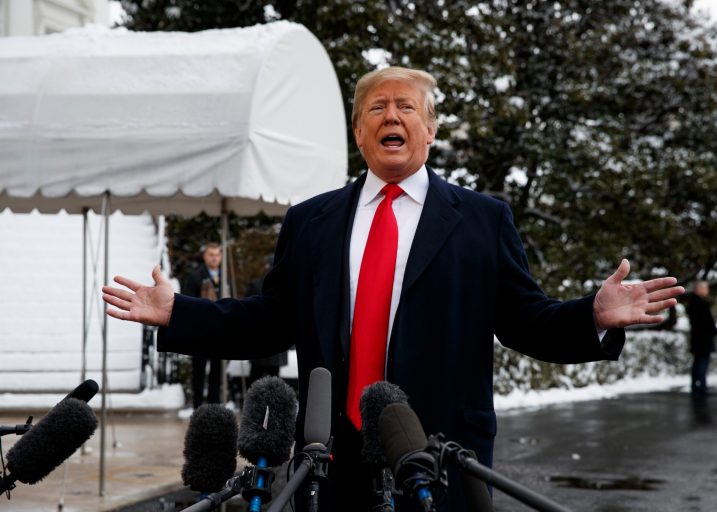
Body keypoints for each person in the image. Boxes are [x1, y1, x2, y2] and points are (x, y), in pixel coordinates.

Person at [103, 67, 684, 511]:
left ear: (429, 128)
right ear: (359, 131)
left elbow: (524, 320)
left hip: (441, 453)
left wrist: (594, 317)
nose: (391, 115)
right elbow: (270, 319)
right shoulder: (311, 221)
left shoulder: (482, 218)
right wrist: (181, 313)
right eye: (376, 107)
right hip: (330, 457)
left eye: (406, 106)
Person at [180, 242, 225, 409]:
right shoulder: (195, 276)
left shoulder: (224, 274)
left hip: (220, 329)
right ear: (205, 256)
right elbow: (188, 300)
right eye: (211, 255)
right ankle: (198, 406)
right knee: (199, 370)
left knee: (217, 370)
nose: (214, 258)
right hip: (200, 329)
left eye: (217, 255)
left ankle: (214, 405)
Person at [686, 280, 717, 397]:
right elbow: (707, 322)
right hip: (703, 340)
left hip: (698, 339)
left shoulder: (693, 302)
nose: (707, 290)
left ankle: (697, 386)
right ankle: (700, 387)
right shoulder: (700, 303)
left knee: (698, 363)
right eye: (705, 288)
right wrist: (713, 331)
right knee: (702, 363)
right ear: (699, 289)